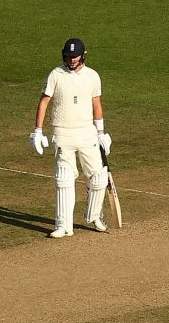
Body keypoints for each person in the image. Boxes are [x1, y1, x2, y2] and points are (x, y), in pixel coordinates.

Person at [29, 37, 111, 235]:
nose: (71, 60)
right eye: (68, 56)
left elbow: (96, 104)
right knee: (64, 179)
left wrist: (101, 132)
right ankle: (62, 225)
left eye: (75, 57)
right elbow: (44, 102)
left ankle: (95, 215)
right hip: (63, 132)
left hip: (86, 132)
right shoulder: (56, 75)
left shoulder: (92, 76)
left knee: (99, 178)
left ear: (83, 55)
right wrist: (37, 131)